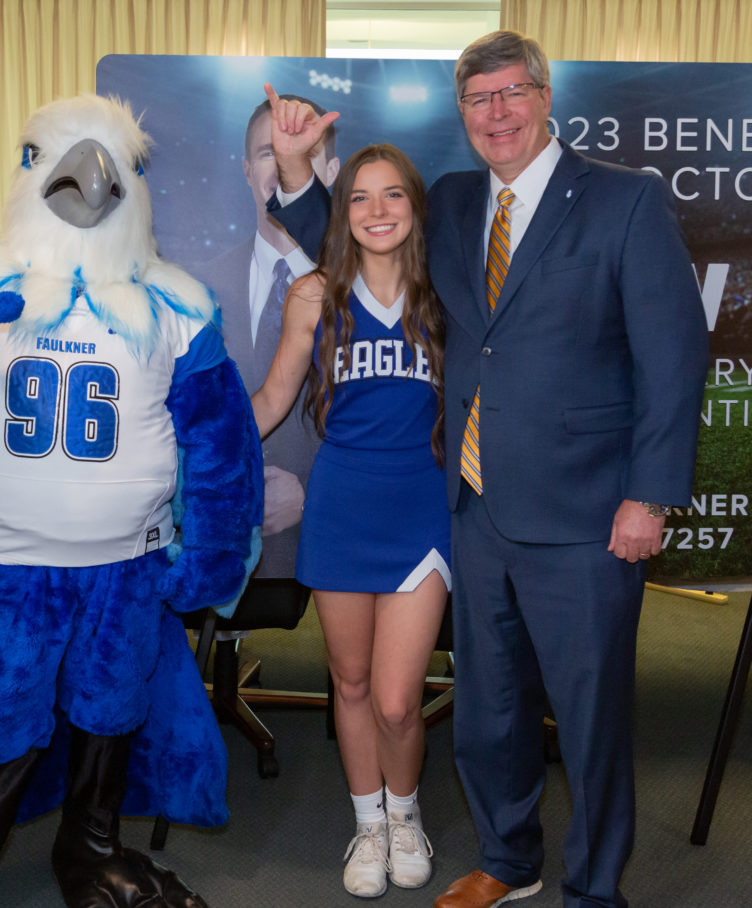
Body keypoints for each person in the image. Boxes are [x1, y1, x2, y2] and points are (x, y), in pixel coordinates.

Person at [267, 30, 709, 908]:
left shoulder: (623, 201)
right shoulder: (460, 203)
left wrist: (650, 495)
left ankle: (592, 890)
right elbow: (362, 234)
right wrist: (293, 168)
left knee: (587, 721)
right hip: (470, 508)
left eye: (512, 94)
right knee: (490, 713)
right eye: (479, 99)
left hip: (587, 514)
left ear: (545, 98)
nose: (497, 113)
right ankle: (510, 860)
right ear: (463, 113)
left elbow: (674, 354)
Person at [251, 141, 449, 899]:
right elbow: (272, 401)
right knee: (353, 681)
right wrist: (202, 437)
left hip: (420, 511)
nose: (376, 211)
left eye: (392, 195)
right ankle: (368, 823)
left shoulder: (445, 292)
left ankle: (406, 812)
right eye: (359, 197)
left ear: (414, 207)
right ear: (344, 213)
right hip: (340, 508)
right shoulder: (315, 295)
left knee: (401, 698)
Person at [196, 93, 339, 577]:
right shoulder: (194, 288)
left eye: (303, 152)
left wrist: (312, 495)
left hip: (334, 540)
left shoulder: (364, 287)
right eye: (267, 152)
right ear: (245, 169)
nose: (283, 163)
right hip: (216, 533)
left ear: (333, 171)